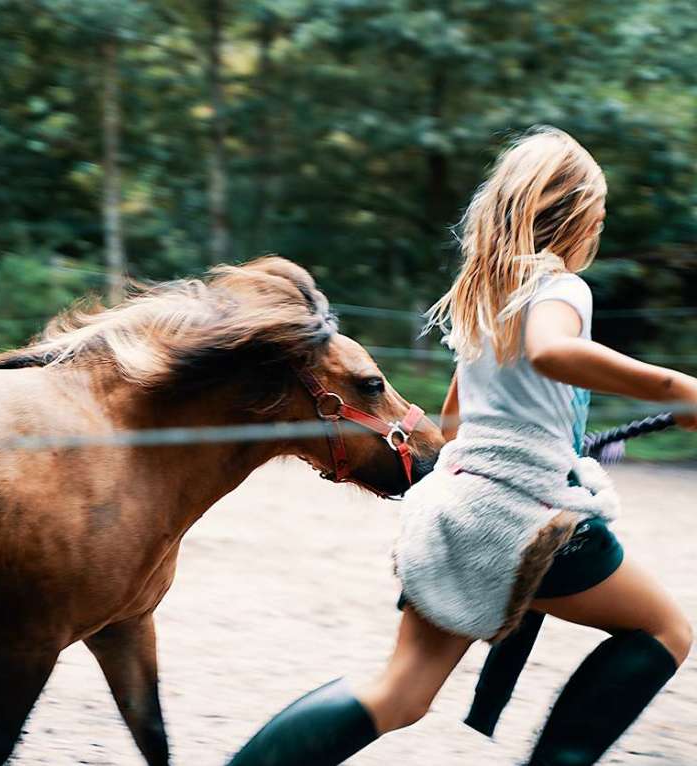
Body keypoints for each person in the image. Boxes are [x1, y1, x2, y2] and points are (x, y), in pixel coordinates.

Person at [226, 126, 695, 766]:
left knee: (400, 691)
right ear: (578, 215)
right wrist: (677, 388)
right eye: (599, 216)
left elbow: (453, 420)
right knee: (665, 631)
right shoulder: (561, 288)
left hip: (459, 507)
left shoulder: (486, 296)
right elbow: (553, 352)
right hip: (528, 517)